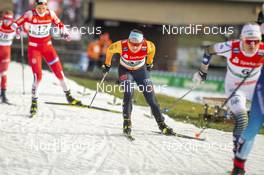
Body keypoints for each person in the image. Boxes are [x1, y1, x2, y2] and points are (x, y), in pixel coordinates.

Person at [193, 23, 264, 155]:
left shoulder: (262, 50)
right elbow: (209, 50)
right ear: (242, 39)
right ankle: (238, 151)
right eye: (249, 42)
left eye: (257, 41)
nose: (253, 45)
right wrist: (202, 72)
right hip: (235, 88)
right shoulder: (231, 47)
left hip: (256, 87)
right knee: (242, 118)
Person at [11, 0, 82, 117]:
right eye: (39, 8)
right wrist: (17, 29)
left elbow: (60, 25)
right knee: (37, 76)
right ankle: (34, 102)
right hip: (34, 49)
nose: (41, 10)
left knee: (59, 72)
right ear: (35, 6)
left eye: (43, 8)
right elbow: (14, 24)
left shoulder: (51, 13)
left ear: (46, 6)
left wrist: (65, 33)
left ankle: (69, 97)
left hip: (48, 47)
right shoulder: (30, 14)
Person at [103, 29, 174, 136]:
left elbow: (152, 50)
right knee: (128, 93)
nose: (134, 47)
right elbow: (109, 50)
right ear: (128, 41)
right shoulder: (121, 45)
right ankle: (127, 122)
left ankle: (161, 124)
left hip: (141, 71)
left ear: (142, 42)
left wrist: (149, 63)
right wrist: (107, 64)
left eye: (137, 44)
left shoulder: (148, 46)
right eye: (132, 43)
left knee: (151, 98)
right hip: (125, 70)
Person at [0, 10, 16, 103]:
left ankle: (4, 95)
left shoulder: (14, 27)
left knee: (4, 73)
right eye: (5, 19)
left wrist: (20, 31)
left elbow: (26, 29)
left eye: (9, 20)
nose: (7, 22)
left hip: (6, 52)